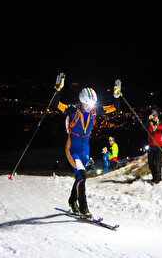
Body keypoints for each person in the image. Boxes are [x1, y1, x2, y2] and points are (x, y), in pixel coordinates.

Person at [53, 73, 121, 218]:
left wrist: (116, 95)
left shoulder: (95, 111)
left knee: (80, 177)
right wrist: (57, 89)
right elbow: (57, 105)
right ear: (81, 101)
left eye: (91, 104)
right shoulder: (73, 110)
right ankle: (84, 209)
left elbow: (114, 107)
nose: (90, 107)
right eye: (87, 104)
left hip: (85, 149)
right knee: (82, 174)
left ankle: (72, 201)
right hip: (73, 149)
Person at [143, 110, 162, 184]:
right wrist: (148, 119)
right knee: (150, 163)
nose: (154, 117)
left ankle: (158, 179)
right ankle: (154, 177)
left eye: (155, 116)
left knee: (158, 163)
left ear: (157, 116)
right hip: (151, 146)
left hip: (159, 146)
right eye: (153, 116)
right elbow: (142, 127)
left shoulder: (161, 123)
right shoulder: (149, 123)